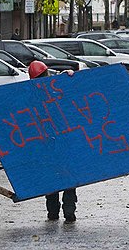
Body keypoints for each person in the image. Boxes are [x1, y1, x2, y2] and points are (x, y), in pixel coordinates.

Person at [27, 60, 78, 222]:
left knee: (51, 178)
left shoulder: (28, 93)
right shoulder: (51, 88)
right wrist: (68, 75)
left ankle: (53, 212)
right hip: (62, 141)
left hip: (45, 144)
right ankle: (68, 211)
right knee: (68, 177)